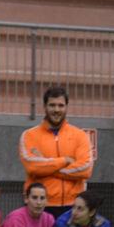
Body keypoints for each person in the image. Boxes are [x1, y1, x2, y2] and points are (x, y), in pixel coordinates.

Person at [19, 86, 93, 218]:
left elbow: (86, 169)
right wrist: (64, 161)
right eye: (52, 105)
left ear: (66, 107)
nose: (56, 110)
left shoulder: (80, 135)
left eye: (61, 105)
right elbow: (32, 166)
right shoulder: (29, 135)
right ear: (44, 106)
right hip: (40, 205)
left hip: (74, 207)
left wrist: (48, 167)